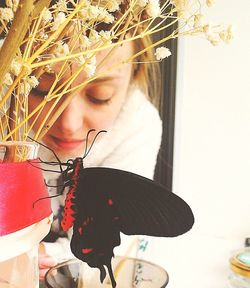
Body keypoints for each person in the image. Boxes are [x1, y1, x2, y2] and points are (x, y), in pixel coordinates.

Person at [28, 18, 163, 281]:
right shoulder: (6, 109)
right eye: (43, 91)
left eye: (100, 95)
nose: (68, 124)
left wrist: (36, 255)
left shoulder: (136, 125)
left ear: (132, 79)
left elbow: (115, 242)